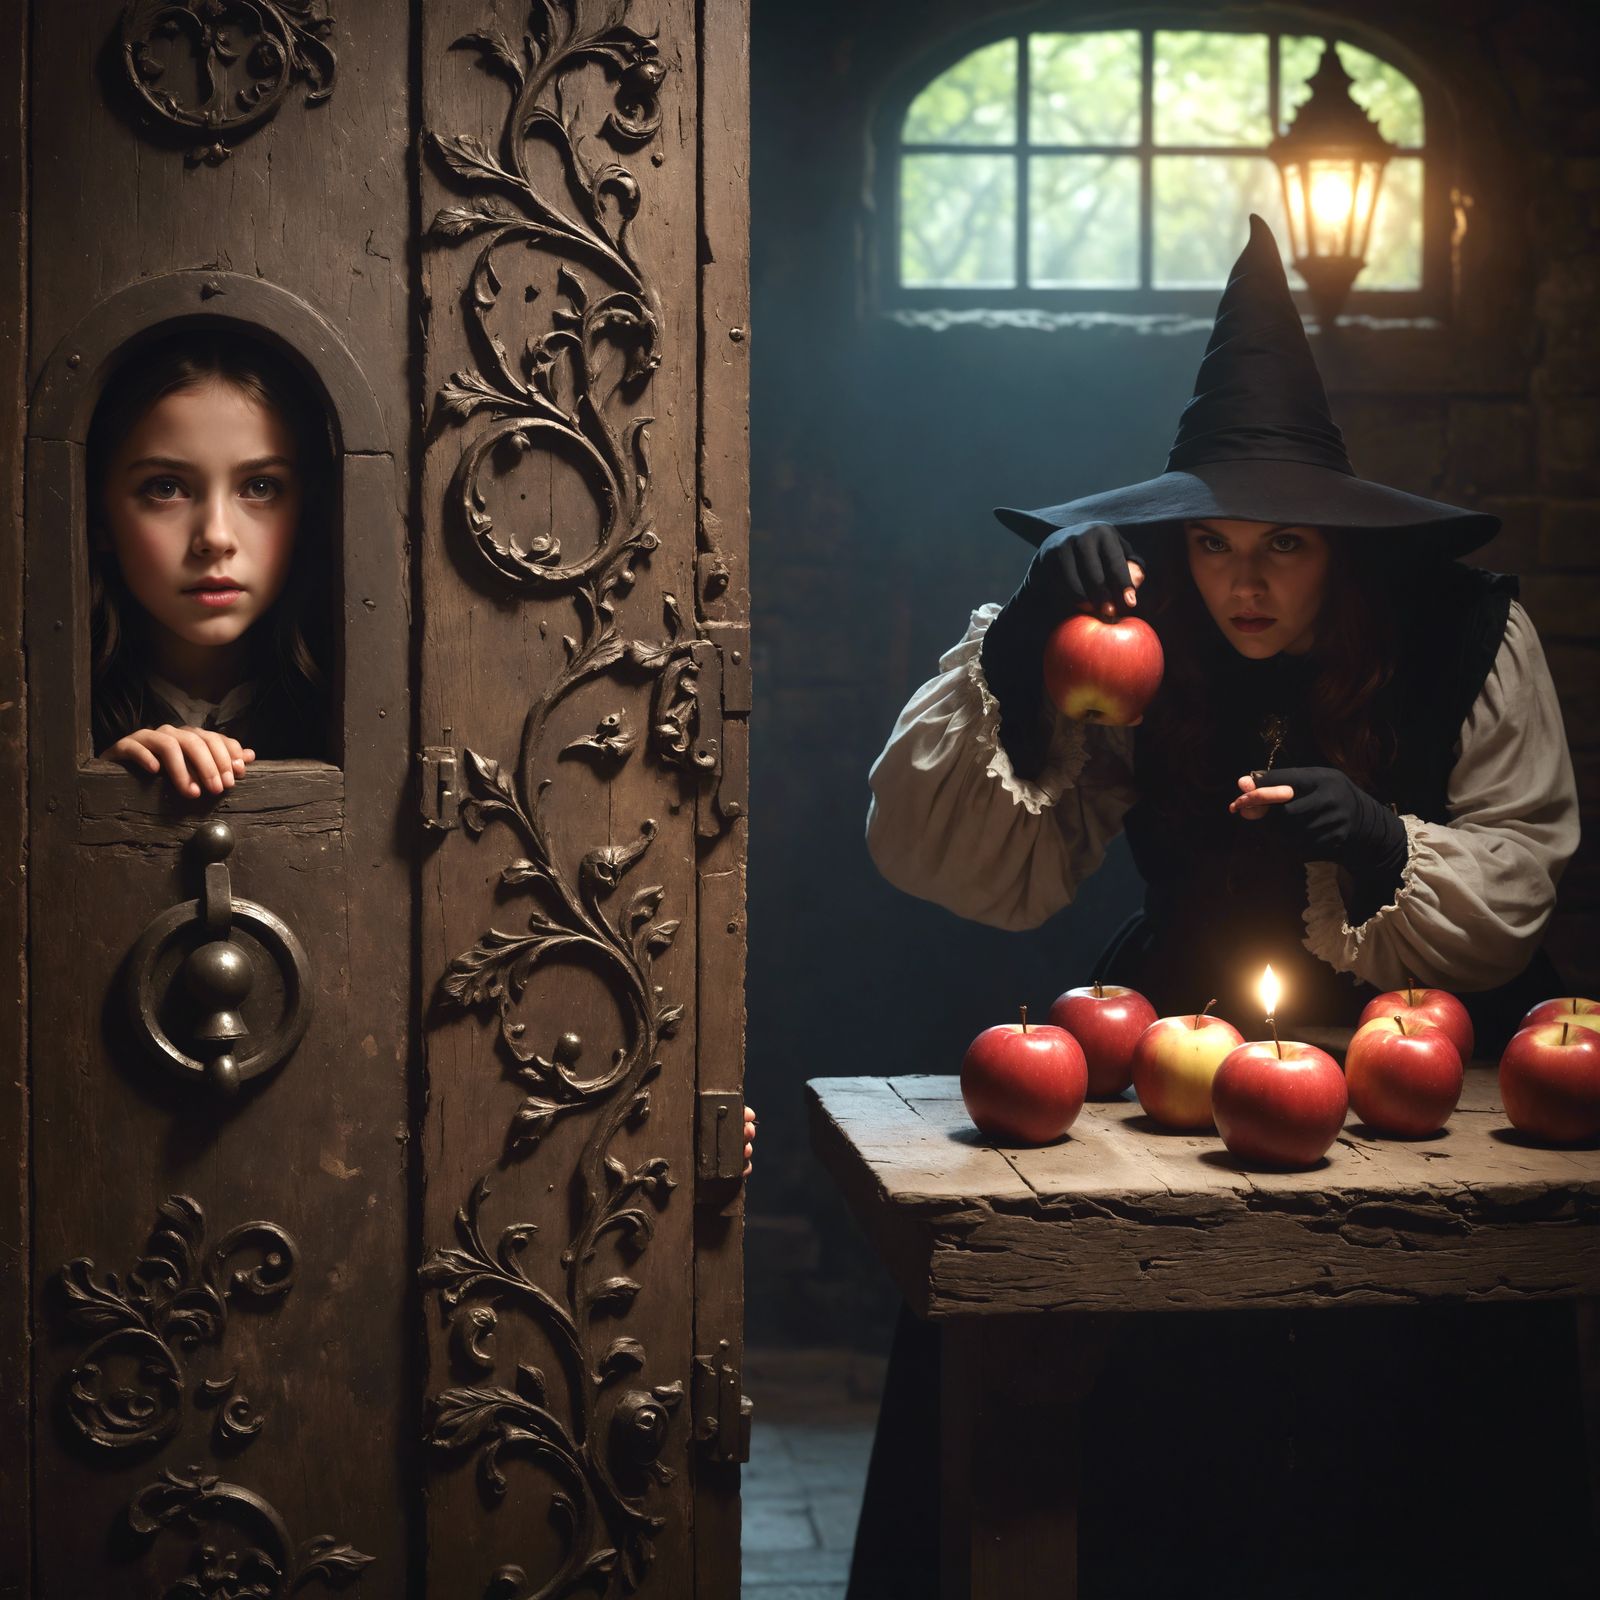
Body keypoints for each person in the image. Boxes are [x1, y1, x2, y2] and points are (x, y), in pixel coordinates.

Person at [850, 217, 1587, 1598]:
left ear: (1341, 548)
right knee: (1131, 1412)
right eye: (1215, 545)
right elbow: (943, 853)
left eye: (1285, 545)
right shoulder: (1138, 646)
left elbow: (1525, 869)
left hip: (1412, 1080)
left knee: (1403, 1444)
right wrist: (1020, 651)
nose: (1242, 582)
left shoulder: (1464, 639)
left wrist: (1381, 843)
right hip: (1183, 1064)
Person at [89, 328, 335, 794]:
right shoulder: (45, 713)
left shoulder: (342, 708)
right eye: (165, 487)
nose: (216, 537)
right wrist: (105, 782)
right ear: (99, 515)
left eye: (260, 487)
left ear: (306, 509)